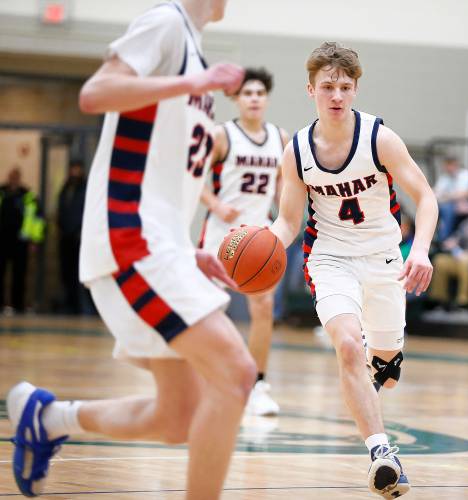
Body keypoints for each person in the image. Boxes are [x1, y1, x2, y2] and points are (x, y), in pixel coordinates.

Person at [6, 2, 255, 499]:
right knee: (236, 372)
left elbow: (161, 178)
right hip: (130, 239)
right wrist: (189, 84)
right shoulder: (166, 25)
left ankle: (49, 417)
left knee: (176, 416)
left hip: (160, 244)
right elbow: (95, 93)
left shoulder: (191, 46)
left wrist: (187, 251)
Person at [269, 42, 437, 498]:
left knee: (386, 368)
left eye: (345, 87)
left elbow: (426, 198)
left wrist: (418, 251)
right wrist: (262, 243)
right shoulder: (297, 150)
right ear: (311, 90)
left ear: (356, 89)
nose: (337, 95)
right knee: (347, 345)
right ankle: (382, 453)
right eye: (328, 87)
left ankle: (381, 364)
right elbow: (287, 221)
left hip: (385, 260)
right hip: (329, 258)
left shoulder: (379, 138)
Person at [199, 67, 289, 416]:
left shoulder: (279, 137)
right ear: (236, 99)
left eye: (260, 93)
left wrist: (286, 212)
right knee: (209, 308)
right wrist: (216, 204)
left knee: (263, 307)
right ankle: (209, 378)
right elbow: (194, 179)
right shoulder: (222, 135)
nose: (254, 98)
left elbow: (284, 184)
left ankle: (257, 385)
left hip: (258, 235)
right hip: (220, 235)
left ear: (266, 99)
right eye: (247, 93)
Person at [0, 167, 44, 315]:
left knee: (19, 275)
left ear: (19, 178)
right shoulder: (2, 192)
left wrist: (35, 240)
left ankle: (18, 305)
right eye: (11, 176)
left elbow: (37, 219)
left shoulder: (28, 196)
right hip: (2, 240)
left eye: (16, 176)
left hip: (21, 242)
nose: (13, 179)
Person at [57, 159, 87, 314]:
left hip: (79, 237)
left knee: (79, 273)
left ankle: (80, 306)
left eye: (77, 169)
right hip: (65, 237)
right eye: (72, 168)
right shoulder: (65, 188)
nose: (75, 172)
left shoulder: (86, 188)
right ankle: (69, 304)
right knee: (66, 273)